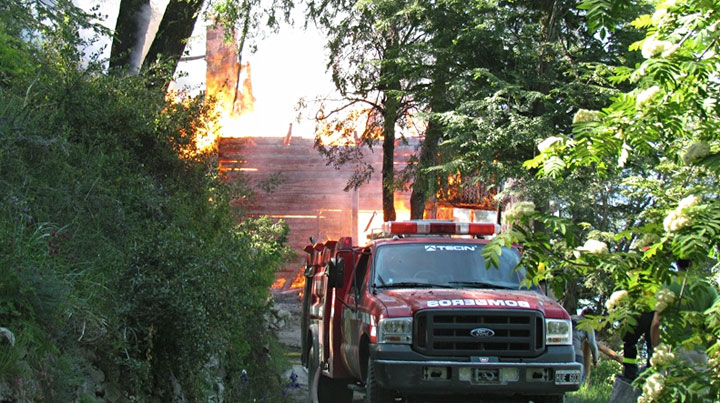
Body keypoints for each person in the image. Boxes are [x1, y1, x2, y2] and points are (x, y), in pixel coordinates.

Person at [650, 260, 718, 366]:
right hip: (699, 353)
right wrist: (709, 349)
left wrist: (656, 350)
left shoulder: (668, 285)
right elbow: (715, 323)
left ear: (676, 262)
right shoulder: (708, 288)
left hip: (674, 350)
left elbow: (656, 323)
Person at [571, 308, 598, 384]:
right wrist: (595, 360)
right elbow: (592, 344)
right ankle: (578, 391)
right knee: (581, 376)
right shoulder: (587, 324)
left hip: (564, 350)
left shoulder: (570, 318)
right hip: (576, 352)